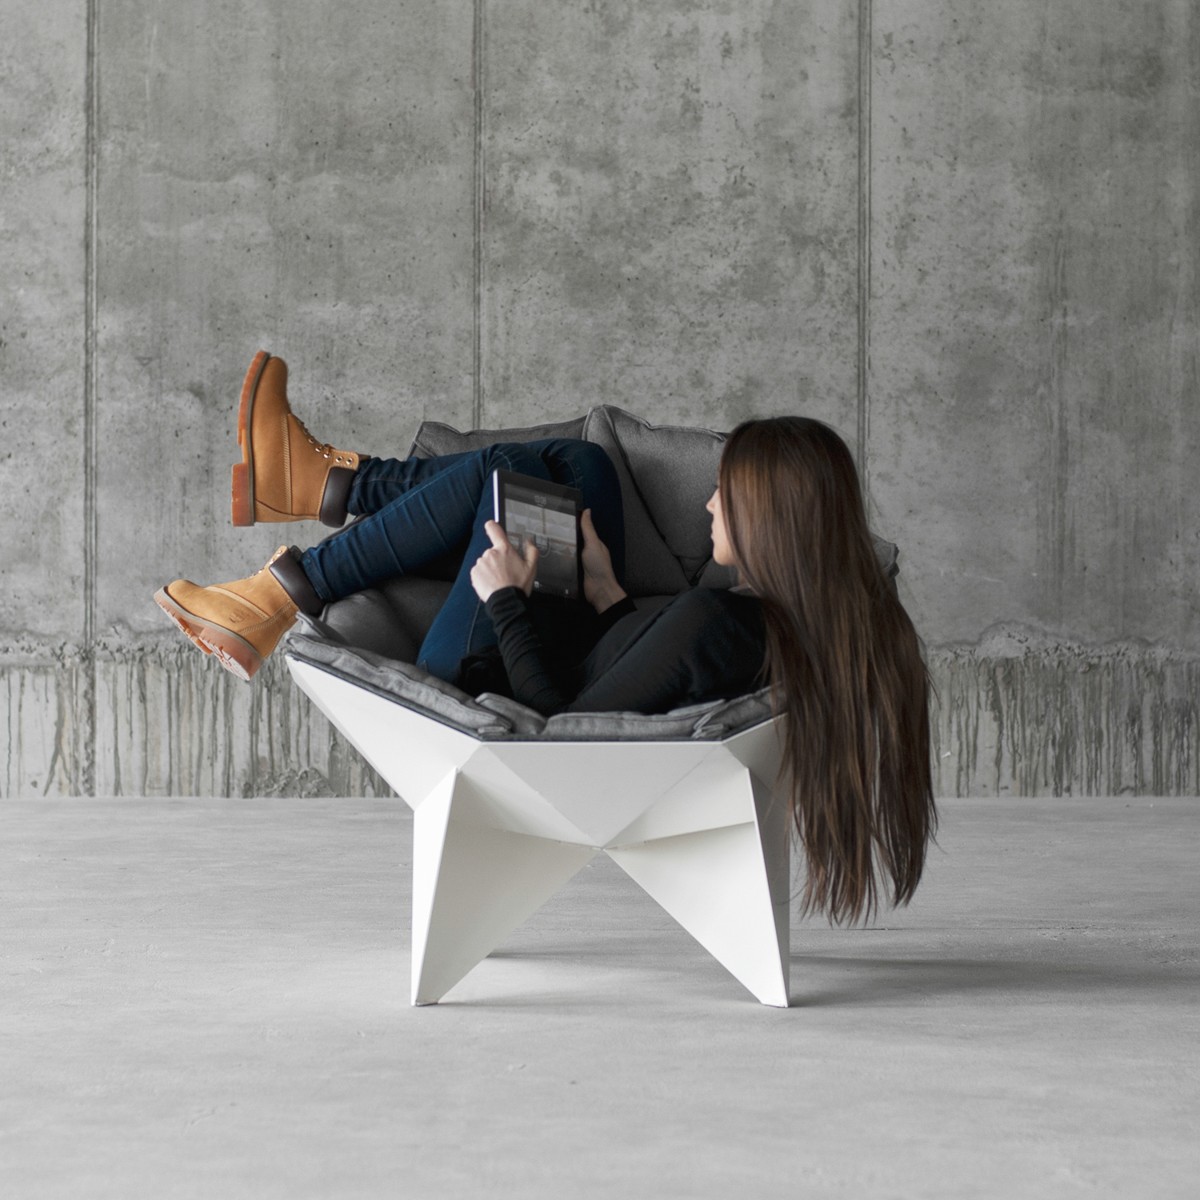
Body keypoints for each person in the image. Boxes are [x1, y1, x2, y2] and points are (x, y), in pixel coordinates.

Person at [156, 351, 935, 923]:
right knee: (575, 463)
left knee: (504, 482)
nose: (707, 506)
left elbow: (560, 732)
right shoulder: (770, 622)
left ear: (770, 521)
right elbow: (651, 679)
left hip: (489, 682)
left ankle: (281, 578)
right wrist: (609, 597)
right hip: (557, 647)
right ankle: (318, 489)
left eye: (722, 494)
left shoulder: (716, 619)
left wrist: (504, 600)